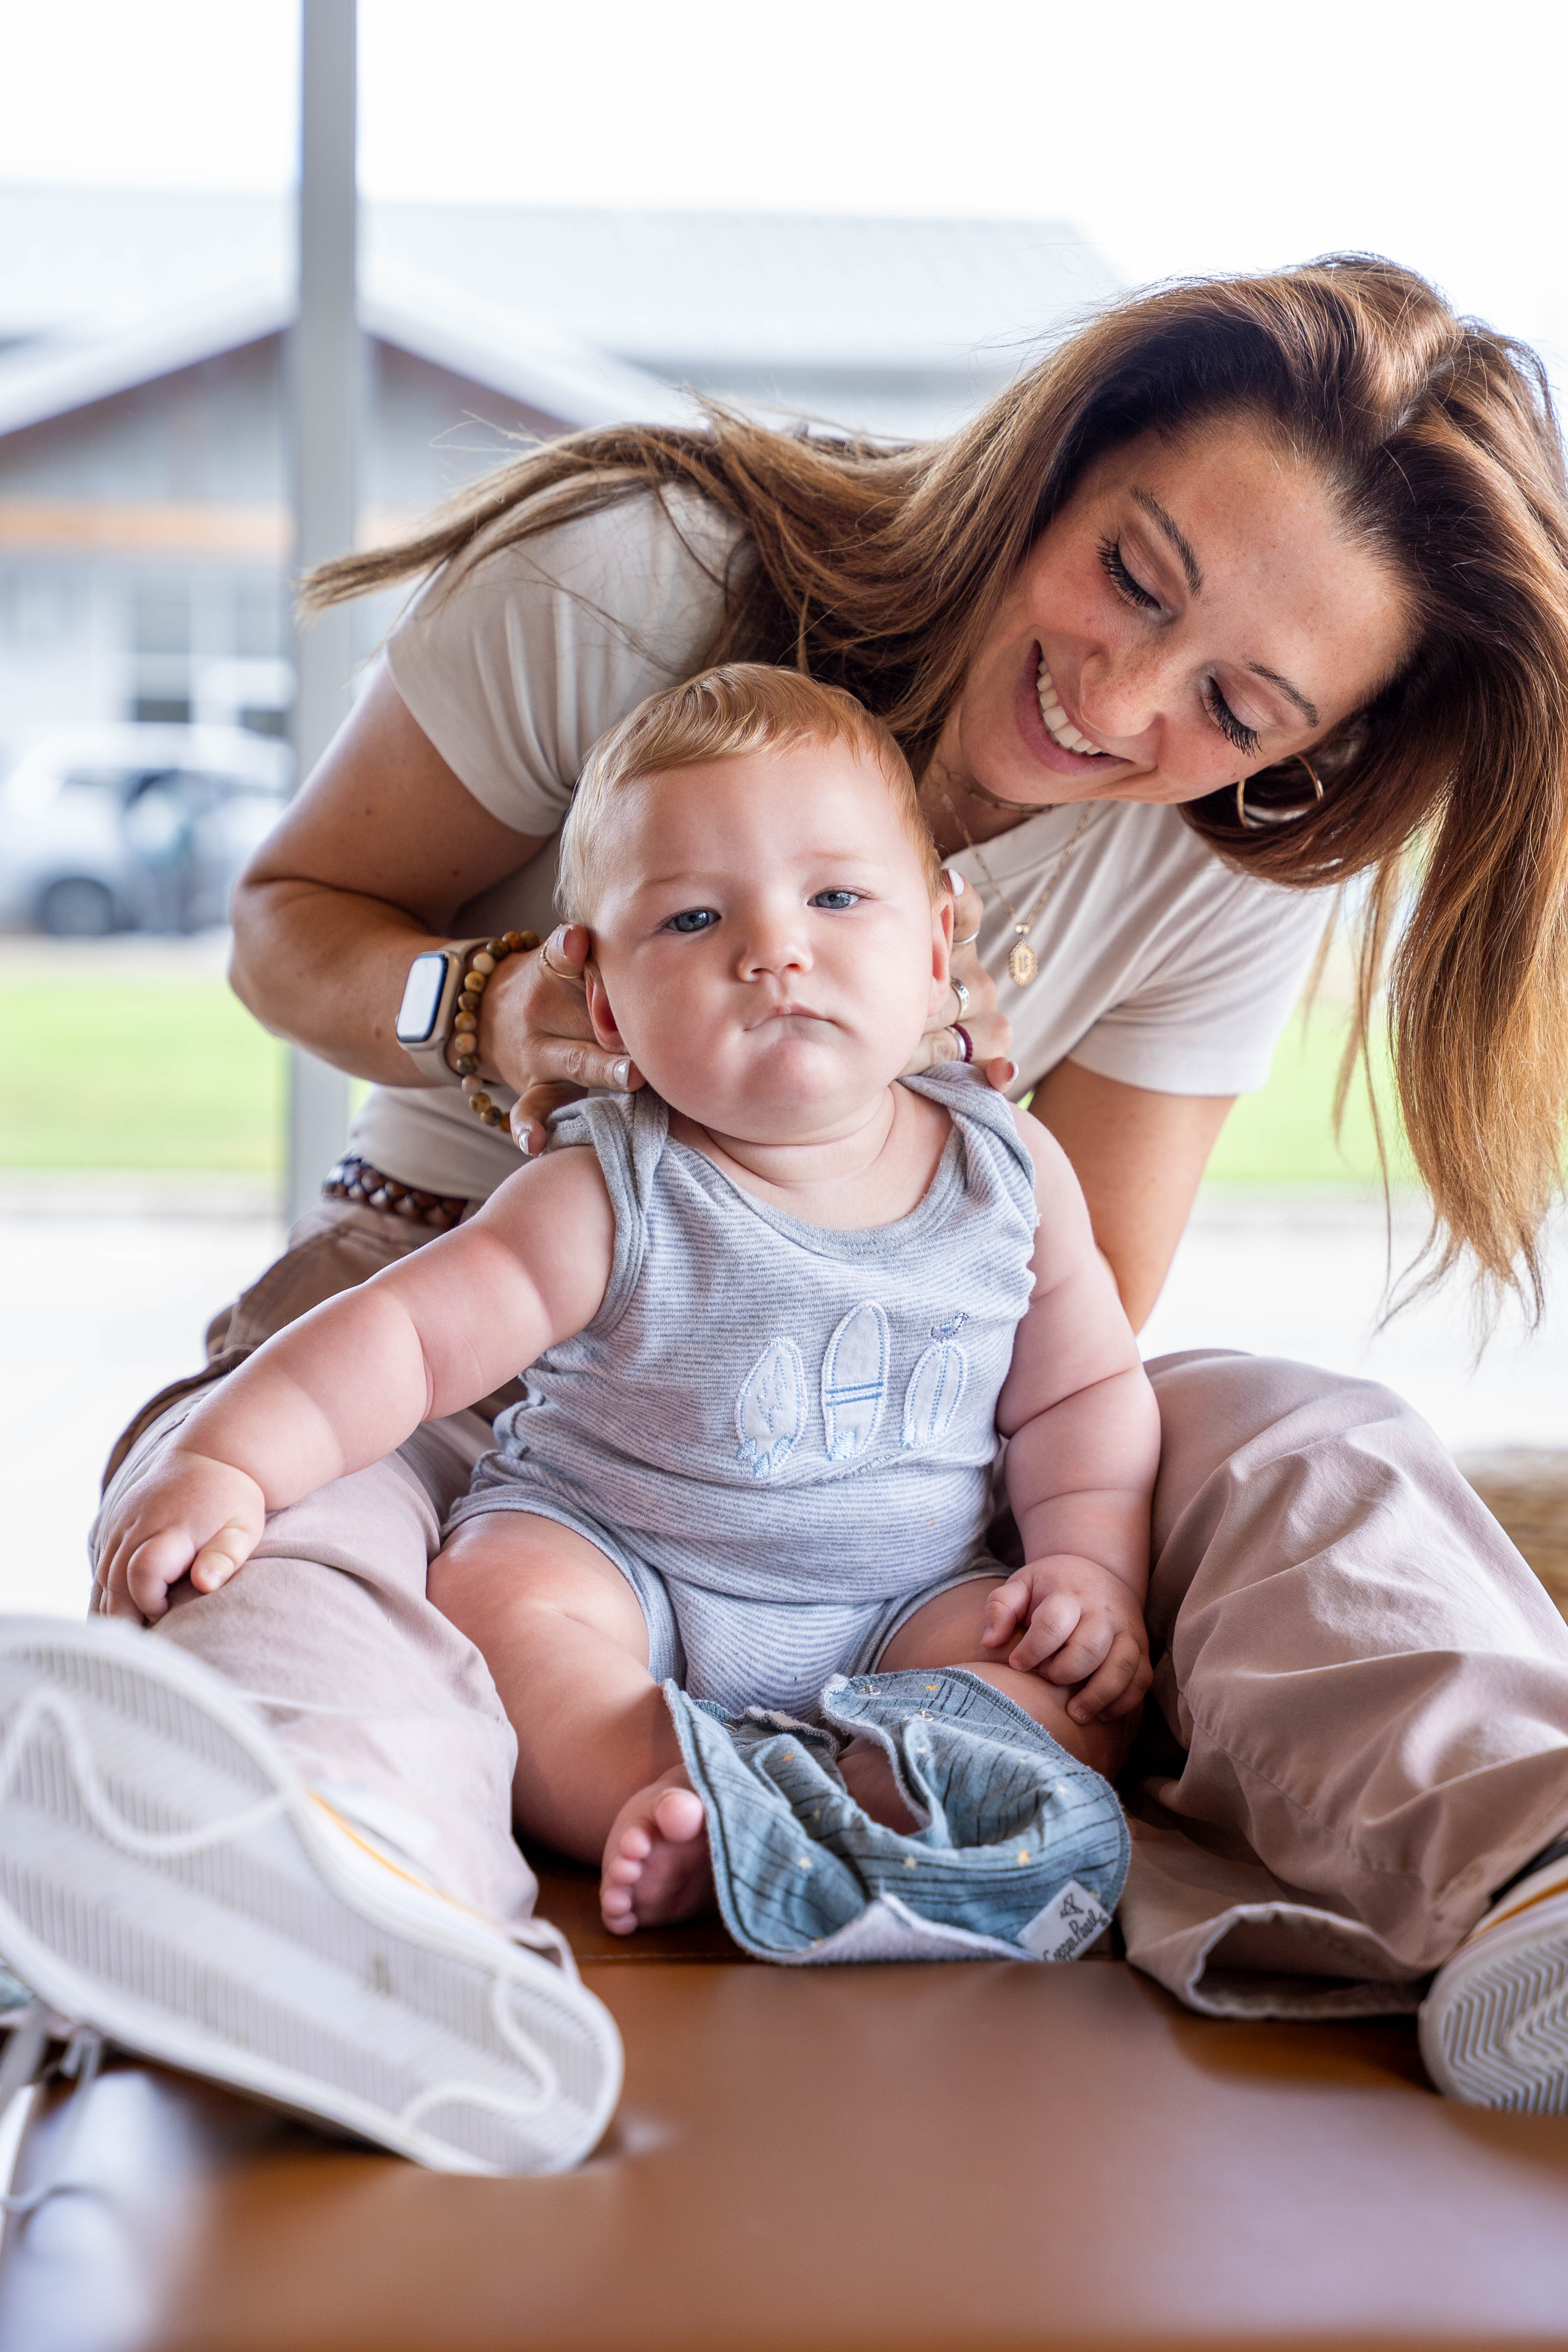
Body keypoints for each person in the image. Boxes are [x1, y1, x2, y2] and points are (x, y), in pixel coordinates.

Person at [8, 249, 1564, 2123]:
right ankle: (347, 1898)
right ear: (1054, 461)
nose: (1119, 696)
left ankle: (1521, 1860)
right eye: (1131, 573)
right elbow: (283, 929)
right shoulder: (638, 573)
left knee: (1305, 1439)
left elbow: (1077, 1342)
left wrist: (1061, 1573)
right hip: (468, 1326)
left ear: (1313, 751)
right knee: (294, 1519)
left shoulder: (1214, 872)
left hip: (893, 1428)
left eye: (1236, 708)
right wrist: (484, 1005)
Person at [96, 668, 1162, 1936]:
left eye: (834, 896)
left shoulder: (1009, 1170)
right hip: (623, 1561)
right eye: (695, 920)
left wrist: (1088, 1572)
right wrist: (226, 1457)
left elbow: (1084, 1393)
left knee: (1059, 1702)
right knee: (500, 1601)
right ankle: (655, 1788)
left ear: (939, 945)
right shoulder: (608, 1188)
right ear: (604, 1000)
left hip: (903, 1599)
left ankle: (854, 1800)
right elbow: (403, 1339)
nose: (774, 948)